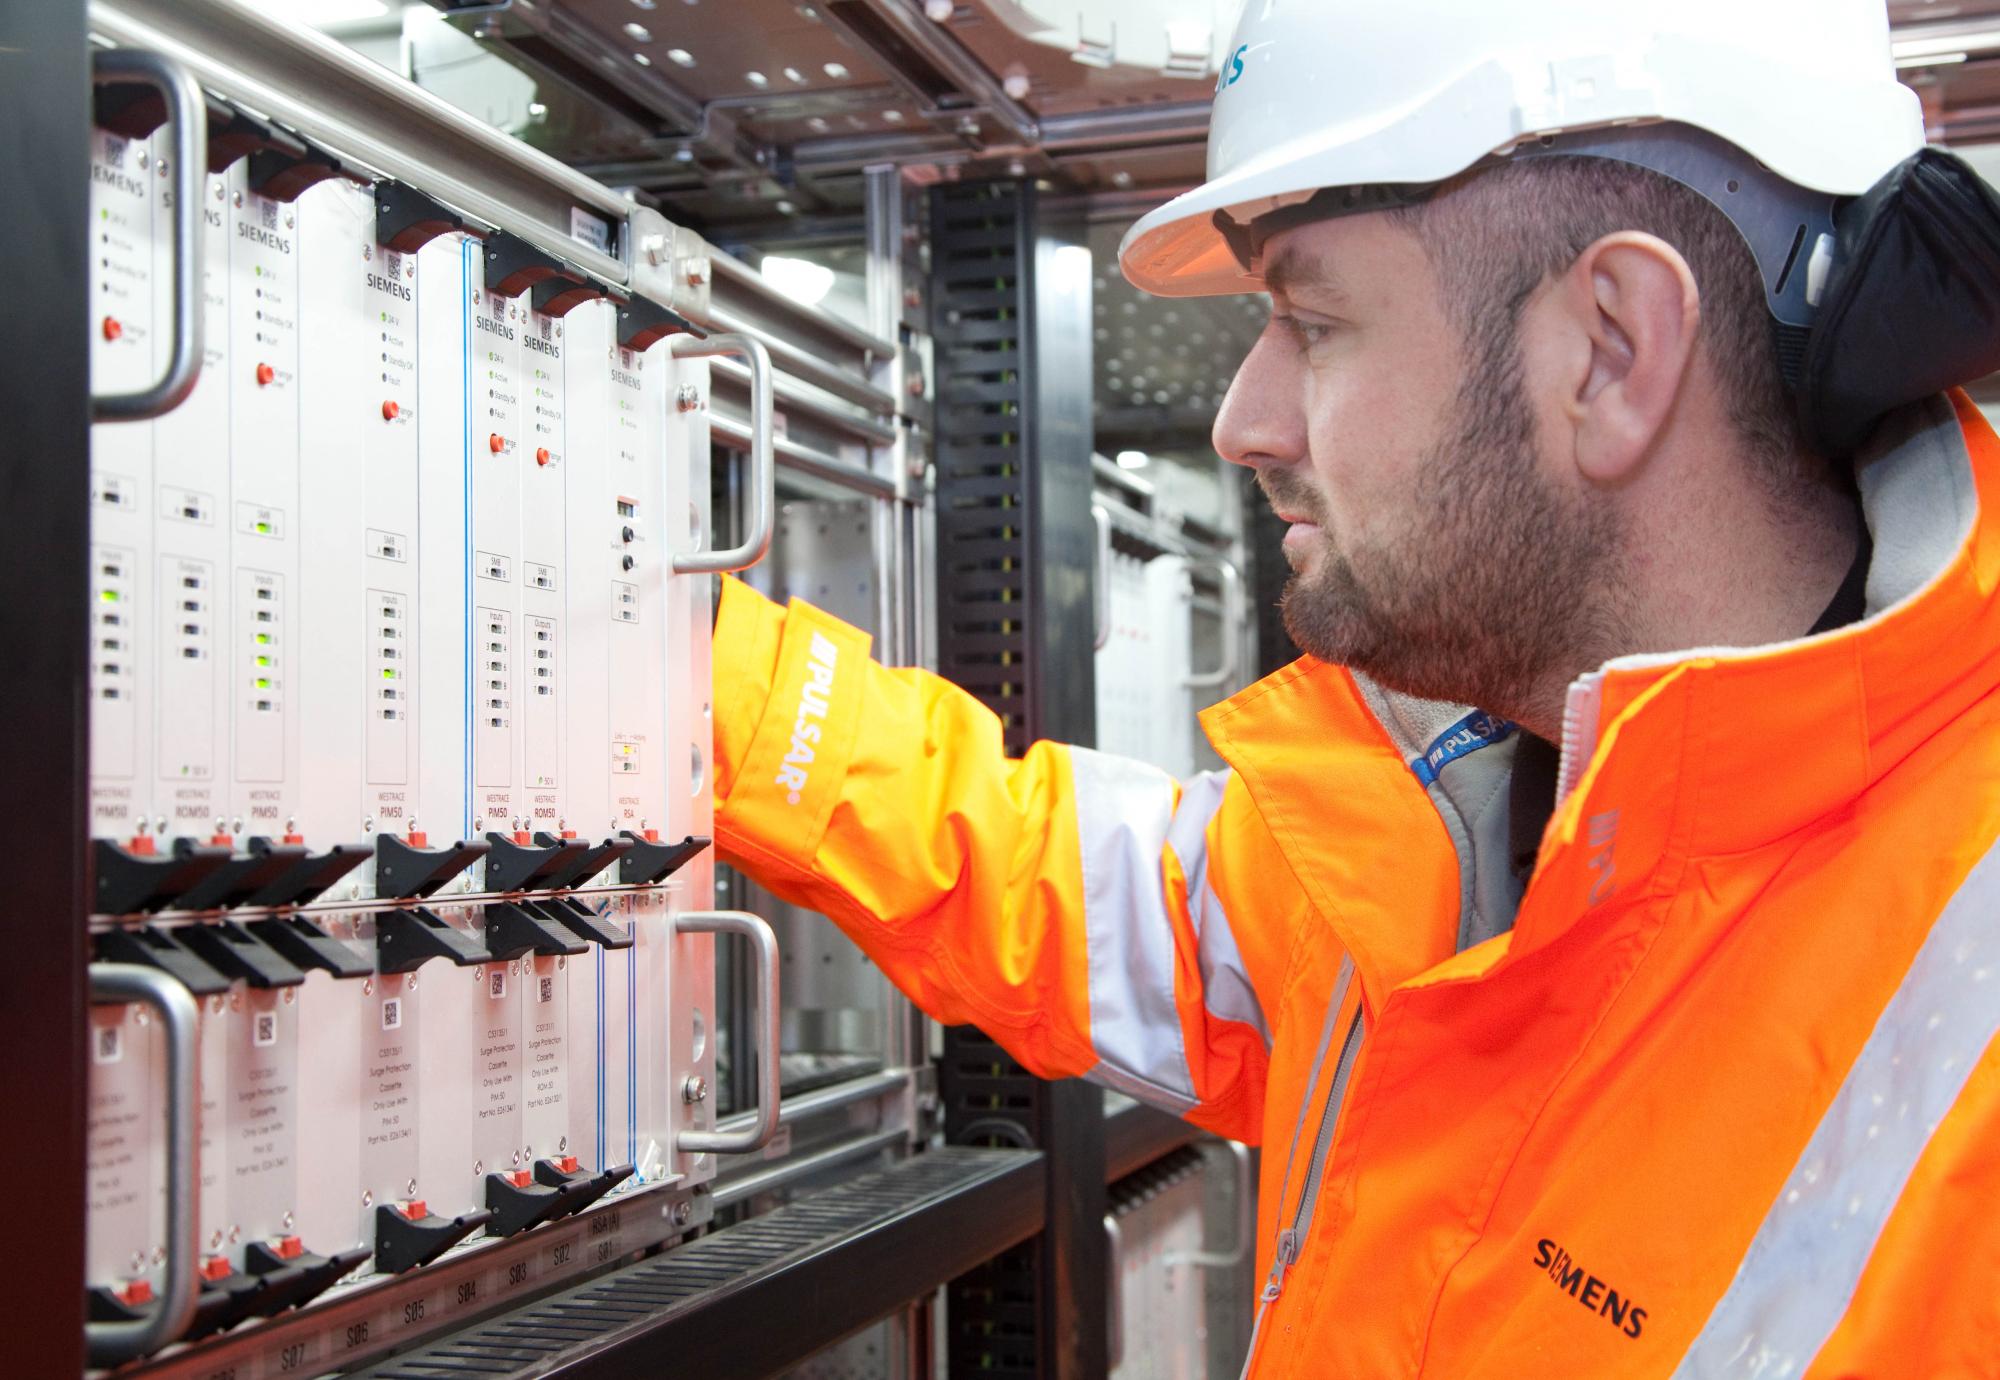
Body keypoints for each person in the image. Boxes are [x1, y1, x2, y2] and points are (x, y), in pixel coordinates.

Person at [710, 1, 2000, 1373]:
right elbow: (1052, 873)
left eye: (1313, 321)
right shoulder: (1459, 792)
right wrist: (655, 656)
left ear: (1613, 351)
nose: (1243, 422)